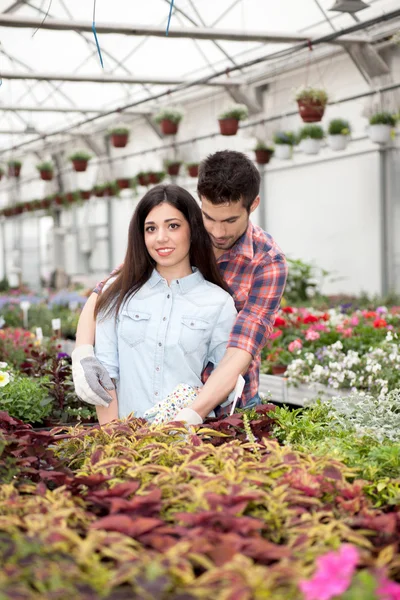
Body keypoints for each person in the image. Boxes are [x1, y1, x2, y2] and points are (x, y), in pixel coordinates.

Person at [72, 150, 288, 425]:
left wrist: (190, 416)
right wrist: (82, 353)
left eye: (230, 220)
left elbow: (240, 349)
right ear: (200, 204)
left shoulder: (267, 261)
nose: (218, 232)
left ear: (253, 204)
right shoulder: (178, 238)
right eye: (210, 217)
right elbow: (107, 290)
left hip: (229, 409)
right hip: (149, 414)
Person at [91, 184, 237, 425]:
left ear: (193, 229)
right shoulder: (117, 293)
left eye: (173, 226)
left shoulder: (218, 302)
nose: (161, 238)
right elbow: (105, 376)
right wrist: (113, 443)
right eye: (151, 228)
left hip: (186, 444)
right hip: (126, 442)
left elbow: (225, 381)